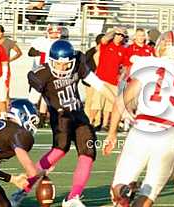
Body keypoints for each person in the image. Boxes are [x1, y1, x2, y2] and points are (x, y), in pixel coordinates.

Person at [103, 30, 174, 207]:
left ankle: (123, 191)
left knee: (117, 190)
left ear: (161, 47)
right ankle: (127, 194)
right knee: (147, 197)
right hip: (171, 138)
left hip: (142, 132)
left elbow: (120, 102)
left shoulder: (147, 65)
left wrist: (112, 134)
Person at [11, 40, 116, 207]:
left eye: (65, 65)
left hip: (79, 115)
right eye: (57, 64)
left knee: (88, 153)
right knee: (58, 151)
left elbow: (99, 85)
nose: (61, 68)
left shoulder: (78, 64)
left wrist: (118, 103)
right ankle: (23, 189)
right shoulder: (41, 74)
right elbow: (31, 103)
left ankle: (73, 197)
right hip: (60, 117)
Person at [89, 27, 129, 131]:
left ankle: (104, 124)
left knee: (110, 105)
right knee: (97, 103)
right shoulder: (106, 45)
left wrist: (122, 75)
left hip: (114, 81)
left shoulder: (123, 49)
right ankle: (90, 122)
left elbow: (125, 65)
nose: (120, 37)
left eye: (122, 36)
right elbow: (104, 39)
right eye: (118, 35)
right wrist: (114, 30)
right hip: (101, 79)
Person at [28, 24, 62, 127]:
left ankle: (42, 118)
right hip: (40, 71)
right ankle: (30, 115)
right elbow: (30, 52)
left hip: (54, 72)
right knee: (33, 96)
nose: (55, 34)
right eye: (53, 32)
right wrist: (41, 53)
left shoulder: (61, 43)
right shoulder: (41, 41)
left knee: (47, 97)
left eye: (57, 32)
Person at [0, 25, 23, 109]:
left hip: (4, 68)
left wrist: (10, 60)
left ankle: (6, 111)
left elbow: (19, 52)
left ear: (3, 33)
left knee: (5, 90)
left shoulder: (8, 42)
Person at [84, 33, 104, 128]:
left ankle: (97, 121)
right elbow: (85, 61)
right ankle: (88, 120)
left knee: (97, 101)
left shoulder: (105, 52)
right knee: (90, 100)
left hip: (100, 80)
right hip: (91, 79)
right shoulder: (92, 52)